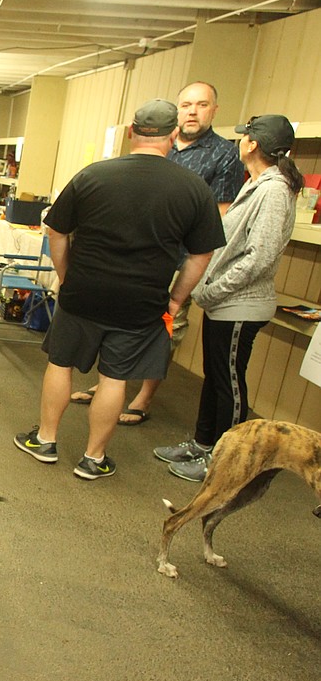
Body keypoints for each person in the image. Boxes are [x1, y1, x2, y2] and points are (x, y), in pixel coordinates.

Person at [13, 99, 225, 481]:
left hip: (84, 292)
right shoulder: (193, 189)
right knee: (115, 377)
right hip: (142, 302)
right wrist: (175, 299)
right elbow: (200, 254)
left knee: (60, 364)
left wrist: (66, 275)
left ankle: (45, 440)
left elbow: (56, 230)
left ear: (131, 132)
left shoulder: (93, 176)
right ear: (173, 136)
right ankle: (93, 458)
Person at [70, 81, 243, 425]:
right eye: (187, 105)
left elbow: (220, 216)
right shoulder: (163, 146)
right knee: (118, 320)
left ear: (214, 110)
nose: (193, 111)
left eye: (202, 105)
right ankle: (110, 383)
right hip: (133, 255)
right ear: (175, 115)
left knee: (164, 327)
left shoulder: (224, 154)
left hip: (179, 260)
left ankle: (144, 396)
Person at [155, 114, 301, 482]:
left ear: (252, 144)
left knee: (230, 383)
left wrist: (213, 289)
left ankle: (230, 463)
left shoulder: (273, 190)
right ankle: (205, 445)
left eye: (245, 137)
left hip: (240, 304)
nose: (239, 141)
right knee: (216, 377)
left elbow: (260, 256)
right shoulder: (257, 183)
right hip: (224, 303)